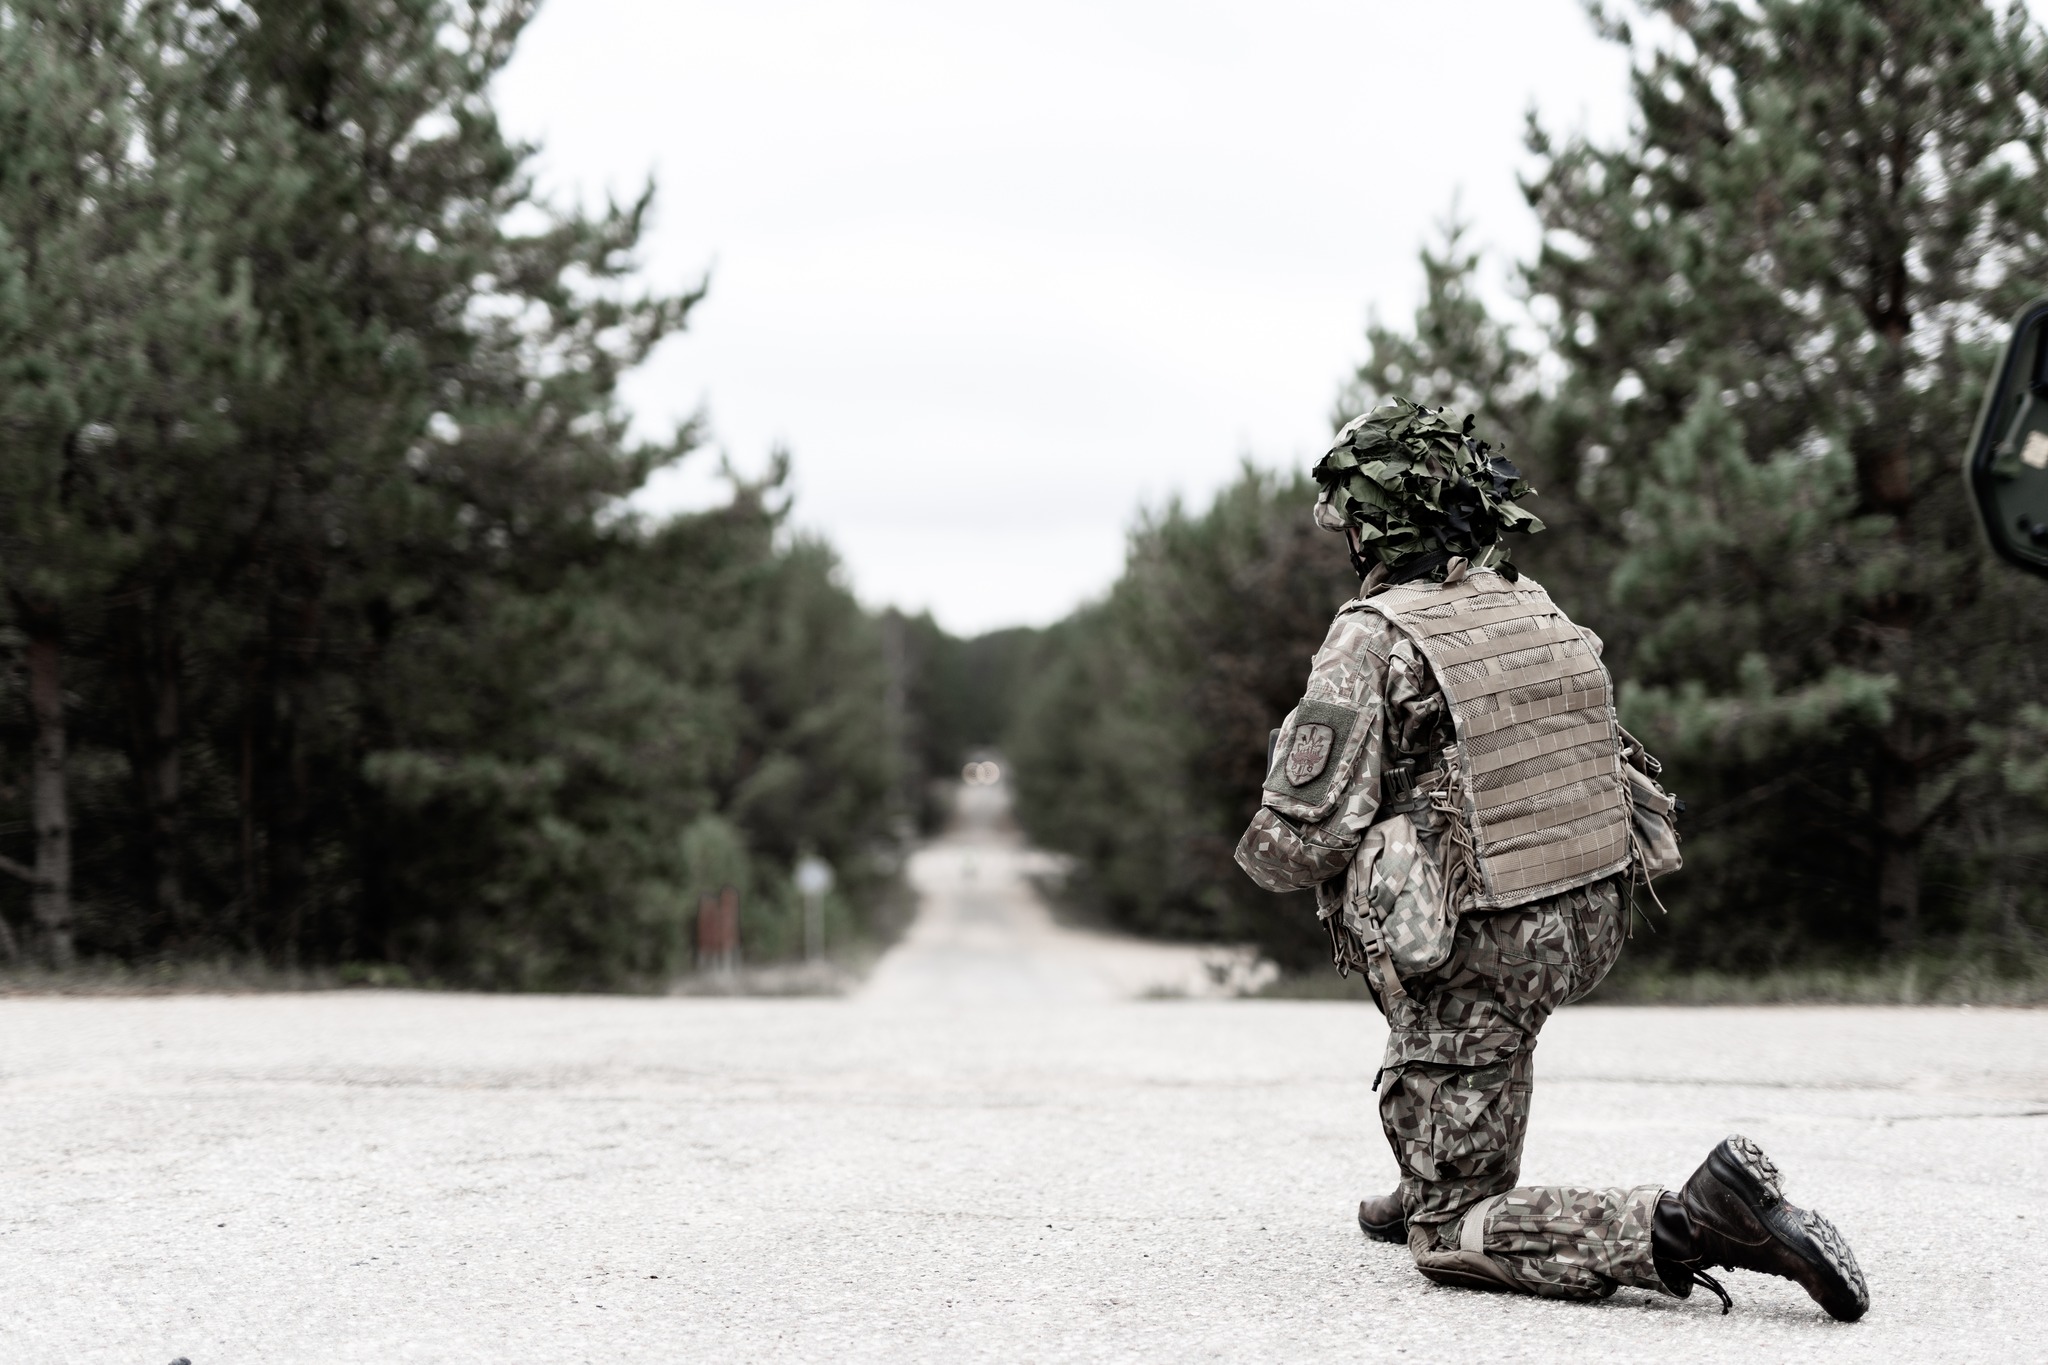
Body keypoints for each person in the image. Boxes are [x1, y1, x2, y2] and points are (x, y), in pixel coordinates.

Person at [1234, 399, 1868, 1320]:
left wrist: (1261, 852)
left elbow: (1307, 833)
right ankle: (1436, 1159)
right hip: (1591, 911)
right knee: (1442, 956)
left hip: (1486, 946)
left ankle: (1696, 1218)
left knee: (1453, 1233)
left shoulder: (1371, 632)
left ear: (1373, 525)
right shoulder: (1531, 605)